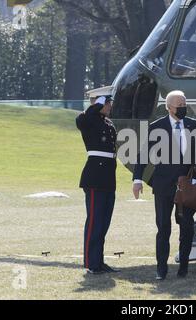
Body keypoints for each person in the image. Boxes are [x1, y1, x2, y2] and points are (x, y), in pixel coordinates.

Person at [132, 90, 196, 280]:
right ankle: (161, 269)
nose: (183, 108)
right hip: (164, 185)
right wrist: (137, 179)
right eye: (179, 105)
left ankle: (183, 267)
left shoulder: (193, 125)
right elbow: (143, 154)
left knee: (187, 227)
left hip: (188, 186)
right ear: (169, 107)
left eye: (184, 104)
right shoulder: (157, 127)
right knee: (163, 227)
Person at [76, 86, 120, 275]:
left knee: (104, 222)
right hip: (94, 177)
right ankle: (91, 263)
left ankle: (99, 261)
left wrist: (101, 105)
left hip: (108, 177)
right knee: (94, 222)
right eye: (107, 102)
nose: (110, 106)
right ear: (99, 102)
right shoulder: (88, 120)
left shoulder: (108, 123)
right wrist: (97, 104)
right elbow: (83, 119)